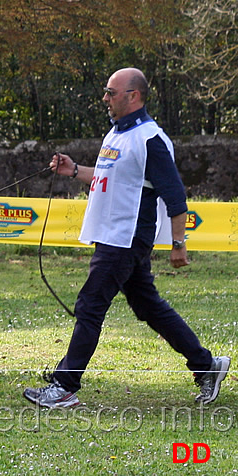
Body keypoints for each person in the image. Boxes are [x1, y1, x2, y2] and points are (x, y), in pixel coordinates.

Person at [24, 68, 230, 408]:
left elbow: (176, 198)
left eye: (111, 92)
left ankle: (64, 386)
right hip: (111, 235)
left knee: (90, 305)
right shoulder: (117, 134)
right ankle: (206, 366)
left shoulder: (151, 139)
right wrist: (75, 170)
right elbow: (108, 176)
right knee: (148, 306)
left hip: (126, 237)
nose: (105, 98)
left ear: (133, 96)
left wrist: (179, 244)